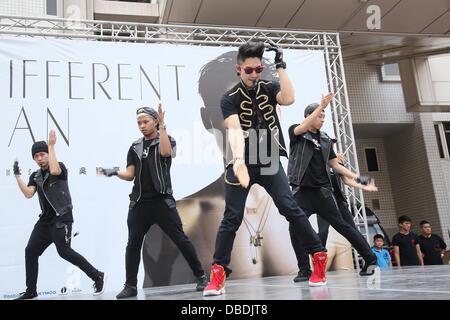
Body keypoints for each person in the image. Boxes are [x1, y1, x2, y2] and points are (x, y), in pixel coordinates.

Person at [203, 41, 328, 297]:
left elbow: (289, 98)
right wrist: (238, 161)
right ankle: (217, 273)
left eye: (258, 69)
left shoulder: (270, 88)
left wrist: (280, 65)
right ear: (239, 69)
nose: (254, 74)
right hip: (242, 160)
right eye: (249, 70)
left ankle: (318, 256)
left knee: (290, 208)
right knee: (231, 218)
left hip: (269, 158)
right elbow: (235, 129)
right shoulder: (229, 98)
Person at [99, 104, 207, 299]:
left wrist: (163, 126)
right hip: (139, 203)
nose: (141, 125)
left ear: (155, 121)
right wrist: (114, 172)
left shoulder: (167, 139)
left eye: (145, 121)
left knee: (180, 239)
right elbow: (131, 174)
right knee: (132, 244)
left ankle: (201, 277)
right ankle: (130, 285)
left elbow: (166, 153)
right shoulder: (134, 146)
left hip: (162, 201)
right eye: (139, 123)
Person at [287, 97, 378, 281]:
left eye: (323, 116)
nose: (322, 119)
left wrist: (360, 178)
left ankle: (370, 259)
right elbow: (302, 127)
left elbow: (336, 166)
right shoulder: (296, 133)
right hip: (302, 192)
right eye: (319, 116)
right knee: (295, 228)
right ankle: (304, 269)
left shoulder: (326, 139)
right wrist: (321, 105)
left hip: (322, 192)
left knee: (343, 226)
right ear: (308, 116)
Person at [13, 131, 105, 299]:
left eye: (42, 154)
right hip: (45, 221)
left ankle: (97, 275)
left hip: (61, 218)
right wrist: (17, 176)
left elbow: (54, 170)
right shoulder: (36, 176)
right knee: (30, 251)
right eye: (36, 156)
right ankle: (31, 290)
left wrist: (52, 145)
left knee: (64, 252)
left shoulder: (59, 166)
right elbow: (28, 194)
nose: (39, 158)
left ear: (47, 154)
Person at [293, 152, 379, 281]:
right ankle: (310, 268)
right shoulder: (314, 158)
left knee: (350, 229)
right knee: (320, 233)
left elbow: (347, 180)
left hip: (337, 201)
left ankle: (370, 259)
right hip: (320, 199)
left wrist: (363, 186)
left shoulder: (336, 161)